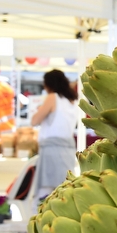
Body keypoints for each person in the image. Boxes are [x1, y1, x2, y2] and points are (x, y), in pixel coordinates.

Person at [30, 69, 79, 199]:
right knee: (65, 191)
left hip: (52, 150)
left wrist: (39, 110)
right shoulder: (73, 100)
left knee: (46, 192)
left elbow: (34, 120)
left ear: (48, 84)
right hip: (68, 149)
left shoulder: (53, 97)